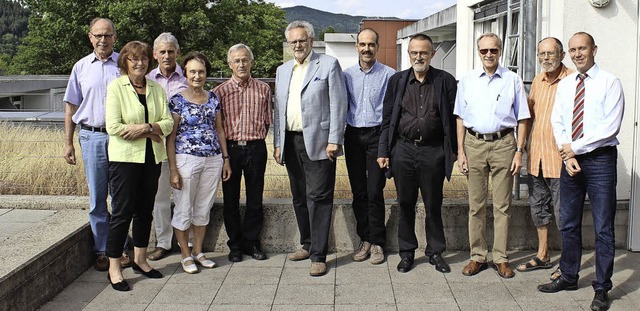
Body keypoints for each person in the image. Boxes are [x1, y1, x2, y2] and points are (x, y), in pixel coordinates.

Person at [538, 32, 624, 311]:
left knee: (603, 228)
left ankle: (601, 288)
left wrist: (574, 148)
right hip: (571, 160)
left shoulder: (610, 82)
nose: (577, 54)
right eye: (573, 49)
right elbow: (558, 119)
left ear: (594, 50)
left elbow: (609, 128)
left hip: (599, 161)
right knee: (569, 222)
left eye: (582, 48)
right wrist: (566, 152)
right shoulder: (566, 84)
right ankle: (569, 275)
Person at [377, 34, 457, 273]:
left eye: (423, 52)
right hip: (403, 150)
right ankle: (407, 252)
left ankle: (435, 252)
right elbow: (388, 118)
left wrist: (453, 151)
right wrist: (384, 150)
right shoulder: (397, 81)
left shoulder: (445, 81)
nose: (418, 57)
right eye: (414, 52)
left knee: (433, 204)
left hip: (433, 151)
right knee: (405, 203)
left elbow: (454, 119)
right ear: (409, 54)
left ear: (432, 54)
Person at [273, 20, 347, 277]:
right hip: (291, 142)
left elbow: (339, 104)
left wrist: (335, 140)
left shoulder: (328, 65)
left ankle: (319, 255)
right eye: (293, 41)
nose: (297, 45)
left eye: (301, 40)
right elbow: (278, 110)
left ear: (311, 41)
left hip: (319, 142)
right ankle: (306, 244)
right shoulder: (283, 70)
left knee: (319, 198)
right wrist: (278, 143)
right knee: (299, 196)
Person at [454, 32, 530, 279]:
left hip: (504, 145)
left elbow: (522, 118)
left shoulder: (512, 80)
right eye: (484, 51)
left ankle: (500, 258)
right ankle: (477, 256)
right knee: (475, 206)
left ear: (500, 51)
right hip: (474, 144)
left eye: (493, 50)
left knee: (502, 206)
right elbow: (460, 119)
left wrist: (519, 151)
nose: (489, 54)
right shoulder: (467, 80)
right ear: (479, 52)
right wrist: (461, 151)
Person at [105, 41, 174, 291]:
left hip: (151, 158)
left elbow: (167, 123)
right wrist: (149, 130)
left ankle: (140, 259)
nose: (140, 62)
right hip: (124, 160)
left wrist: (145, 129)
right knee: (122, 212)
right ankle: (114, 266)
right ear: (125, 61)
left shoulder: (156, 88)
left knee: (145, 210)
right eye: (134, 58)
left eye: (144, 58)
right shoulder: (116, 87)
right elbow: (113, 127)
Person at [62, 17, 130, 271]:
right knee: (97, 198)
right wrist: (68, 143)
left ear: (115, 37)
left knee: (121, 196)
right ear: (90, 37)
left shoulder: (123, 66)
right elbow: (71, 107)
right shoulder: (80, 68)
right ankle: (103, 250)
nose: (103, 40)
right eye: (98, 35)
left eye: (108, 35)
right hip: (92, 137)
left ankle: (120, 248)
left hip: (121, 138)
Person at [167, 52, 232, 274]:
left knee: (204, 207)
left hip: (212, 159)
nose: (197, 75)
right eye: (193, 71)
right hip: (186, 159)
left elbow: (220, 129)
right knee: (184, 207)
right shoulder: (177, 100)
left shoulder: (213, 97)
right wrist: (173, 169)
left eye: (201, 71)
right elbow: (171, 136)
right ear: (185, 72)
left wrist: (225, 159)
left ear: (206, 73)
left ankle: (198, 251)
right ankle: (185, 254)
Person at [516, 37, 573, 275]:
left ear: (561, 55)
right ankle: (543, 255)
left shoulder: (572, 80)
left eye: (551, 53)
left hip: (560, 160)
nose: (545, 58)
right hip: (536, 158)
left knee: (565, 215)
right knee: (538, 209)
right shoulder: (538, 81)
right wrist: (522, 147)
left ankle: (570, 265)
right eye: (541, 54)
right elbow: (529, 116)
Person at [214, 44, 271, 262]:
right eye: (237, 60)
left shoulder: (264, 89)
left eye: (245, 60)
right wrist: (226, 154)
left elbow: (267, 122)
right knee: (231, 200)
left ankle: (252, 243)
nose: (241, 64)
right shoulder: (220, 92)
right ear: (229, 64)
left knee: (255, 199)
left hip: (256, 147)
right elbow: (217, 125)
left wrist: (255, 140)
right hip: (231, 149)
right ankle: (235, 245)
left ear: (251, 62)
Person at [343, 28, 395, 265]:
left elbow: (389, 115)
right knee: (358, 192)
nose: (366, 49)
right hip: (353, 136)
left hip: (377, 136)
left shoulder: (388, 75)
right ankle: (364, 239)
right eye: (362, 44)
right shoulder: (346, 75)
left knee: (375, 191)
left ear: (377, 46)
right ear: (357, 46)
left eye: (371, 45)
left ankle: (377, 243)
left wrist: (385, 148)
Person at [147, 32, 188, 261]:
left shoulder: (188, 78)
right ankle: (163, 243)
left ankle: (189, 243)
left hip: (184, 148)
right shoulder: (148, 80)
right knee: (160, 197)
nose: (166, 55)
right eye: (162, 51)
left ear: (178, 53)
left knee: (186, 196)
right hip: (158, 147)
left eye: (170, 51)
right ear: (154, 54)